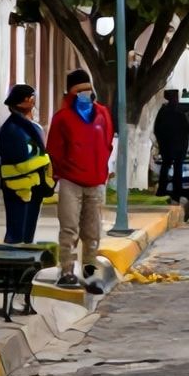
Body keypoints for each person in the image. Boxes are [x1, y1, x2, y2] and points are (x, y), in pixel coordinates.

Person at [47, 69, 114, 291]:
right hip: (70, 182)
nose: (86, 93)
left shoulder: (102, 114)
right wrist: (61, 172)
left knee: (92, 232)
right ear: (71, 92)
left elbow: (107, 143)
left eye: (88, 89)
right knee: (69, 229)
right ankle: (66, 271)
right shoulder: (62, 118)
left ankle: (90, 273)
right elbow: (54, 150)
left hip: (95, 182)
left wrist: (102, 170)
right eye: (80, 90)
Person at [0, 84, 53, 244]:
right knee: (17, 234)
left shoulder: (31, 126)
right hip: (19, 189)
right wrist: (47, 161)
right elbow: (22, 160)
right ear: (22, 103)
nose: (33, 102)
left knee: (27, 233)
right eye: (31, 98)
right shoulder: (12, 130)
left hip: (33, 187)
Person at [153, 89, 189, 204]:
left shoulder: (163, 111)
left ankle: (162, 191)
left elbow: (157, 129)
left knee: (166, 168)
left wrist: (161, 142)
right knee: (177, 169)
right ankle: (176, 192)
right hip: (178, 146)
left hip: (167, 146)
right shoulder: (180, 112)